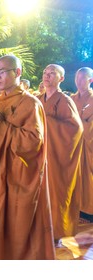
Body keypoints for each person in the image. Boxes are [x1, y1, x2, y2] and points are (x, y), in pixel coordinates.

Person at [0, 55, 55, 259]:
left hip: (18, 177)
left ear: (17, 73)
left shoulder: (30, 104)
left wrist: (1, 127)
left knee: (18, 228)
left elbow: (33, 141)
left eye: (2, 72)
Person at [38, 64, 83, 243]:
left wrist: (46, 121)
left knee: (57, 194)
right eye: (45, 73)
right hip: (40, 156)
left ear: (61, 78)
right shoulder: (38, 99)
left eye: (52, 73)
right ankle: (39, 229)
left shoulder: (65, 101)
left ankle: (56, 233)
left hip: (57, 157)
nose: (47, 76)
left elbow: (75, 129)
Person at [71, 67, 93, 222]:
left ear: (90, 80)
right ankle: (77, 206)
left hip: (89, 144)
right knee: (75, 176)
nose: (78, 81)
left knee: (89, 176)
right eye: (77, 78)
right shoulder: (71, 99)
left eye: (82, 78)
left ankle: (90, 209)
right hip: (74, 145)